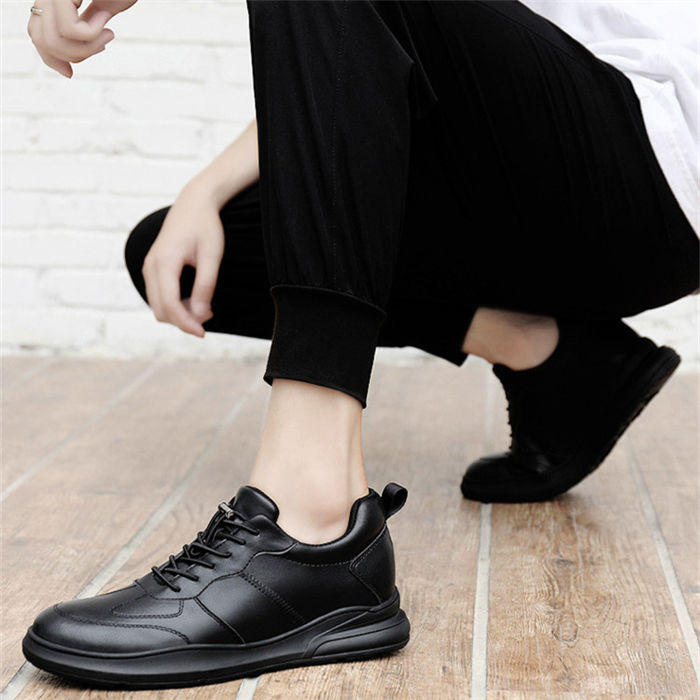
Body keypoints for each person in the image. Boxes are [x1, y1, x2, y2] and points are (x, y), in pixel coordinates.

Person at [21, 0, 699, 689]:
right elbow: (352, 51)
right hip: (530, 165)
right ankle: (555, 359)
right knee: (184, 256)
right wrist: (205, 190)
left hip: (657, 165)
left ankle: (311, 522)